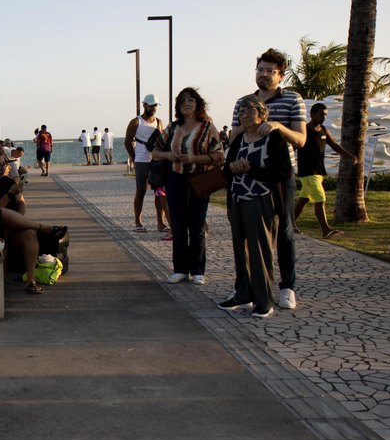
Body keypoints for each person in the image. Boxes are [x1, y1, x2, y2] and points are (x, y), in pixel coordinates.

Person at [230, 48, 306, 310]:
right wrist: (246, 124)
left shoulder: (292, 99)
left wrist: (276, 126)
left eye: (269, 71)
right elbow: (233, 137)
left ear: (280, 75)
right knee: (247, 235)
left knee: (283, 229)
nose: (263, 75)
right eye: (260, 69)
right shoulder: (243, 102)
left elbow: (301, 139)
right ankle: (250, 288)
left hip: (279, 177)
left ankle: (287, 287)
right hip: (246, 180)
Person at [219, 95, 293, 318]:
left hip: (261, 200)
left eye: (249, 111)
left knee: (260, 250)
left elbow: (283, 172)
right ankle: (243, 294)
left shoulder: (274, 138)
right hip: (238, 199)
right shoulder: (239, 139)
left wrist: (250, 169)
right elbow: (224, 172)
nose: (243, 115)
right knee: (240, 249)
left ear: (262, 114)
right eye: (241, 112)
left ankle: (264, 300)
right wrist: (233, 168)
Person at [151, 87, 224, 286]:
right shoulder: (173, 128)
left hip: (199, 180)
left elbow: (218, 155)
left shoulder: (207, 127)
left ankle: (198, 270)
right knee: (178, 224)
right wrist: (168, 155)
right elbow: (155, 151)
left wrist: (194, 158)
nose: (186, 104)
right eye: (182, 101)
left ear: (198, 104)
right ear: (178, 106)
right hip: (175, 179)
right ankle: (180, 269)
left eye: (190, 100)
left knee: (197, 225)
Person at [0, 142, 67, 294]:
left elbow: (22, 203)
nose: (6, 168)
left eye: (5, 165)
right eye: (2, 165)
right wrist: (9, 194)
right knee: (3, 213)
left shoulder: (7, 181)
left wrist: (18, 218)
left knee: (29, 233)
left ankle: (31, 281)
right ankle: (43, 228)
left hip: (13, 226)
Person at [293, 102, 356, 238]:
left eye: (325, 115)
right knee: (320, 199)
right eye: (321, 115)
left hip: (319, 171)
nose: (323, 118)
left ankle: (289, 225)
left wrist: (349, 156)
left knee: (303, 199)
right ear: (312, 114)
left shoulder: (324, 130)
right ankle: (326, 230)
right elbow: (293, 146)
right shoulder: (304, 130)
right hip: (308, 172)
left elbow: (334, 145)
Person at [124, 93, 169, 232]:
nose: (154, 108)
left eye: (155, 105)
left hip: (156, 160)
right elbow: (127, 141)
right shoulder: (136, 122)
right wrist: (134, 158)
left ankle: (160, 223)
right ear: (144, 105)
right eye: (151, 105)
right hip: (141, 160)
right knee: (141, 190)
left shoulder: (159, 122)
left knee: (159, 192)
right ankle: (138, 222)